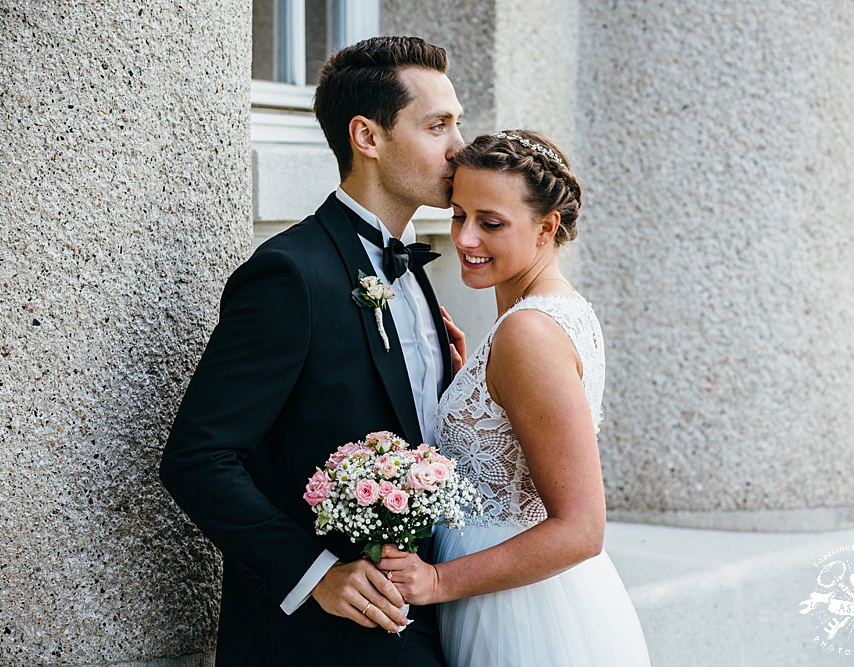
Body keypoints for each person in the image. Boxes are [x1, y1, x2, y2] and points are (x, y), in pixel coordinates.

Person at [159, 36, 466, 665]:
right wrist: (316, 573)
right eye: (438, 126)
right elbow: (198, 457)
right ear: (367, 136)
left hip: (427, 611)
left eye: (457, 123)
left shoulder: (415, 269)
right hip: (319, 640)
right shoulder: (288, 274)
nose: (459, 147)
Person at [376, 130, 652, 666]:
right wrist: (467, 386)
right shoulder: (557, 309)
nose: (465, 239)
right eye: (459, 215)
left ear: (547, 228)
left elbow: (581, 529)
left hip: (516, 612)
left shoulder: (528, 333)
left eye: (491, 223)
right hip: (512, 589)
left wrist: (436, 581)